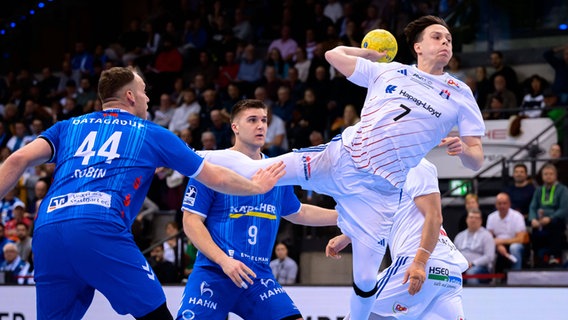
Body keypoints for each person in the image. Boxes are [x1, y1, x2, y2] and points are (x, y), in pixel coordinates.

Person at [199, 15, 484, 320]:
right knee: (265, 168)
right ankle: (185, 155)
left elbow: (477, 158)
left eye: (449, 39)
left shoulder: (459, 93)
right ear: (417, 47)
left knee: (364, 280)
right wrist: (368, 54)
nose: (445, 43)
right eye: (437, 37)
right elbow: (333, 55)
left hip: (378, 192)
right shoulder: (388, 71)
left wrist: (464, 149)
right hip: (341, 158)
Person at [0, 67, 285, 320]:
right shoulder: (150, 132)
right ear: (130, 96)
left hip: (48, 229)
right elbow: (215, 176)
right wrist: (255, 186)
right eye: (144, 92)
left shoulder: (67, 126)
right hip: (99, 227)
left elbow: (15, 161)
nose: (148, 98)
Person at [177, 99, 338, 320]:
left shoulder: (277, 169)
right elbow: (191, 221)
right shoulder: (211, 167)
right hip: (214, 272)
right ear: (235, 127)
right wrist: (225, 261)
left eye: (264, 120)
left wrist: (345, 218)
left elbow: (298, 212)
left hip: (258, 276)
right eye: (252, 120)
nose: (261, 125)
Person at [327, 159, 468, 319]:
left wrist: (420, 262)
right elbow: (385, 217)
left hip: (419, 262)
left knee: (360, 313)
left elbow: (434, 217)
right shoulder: (391, 178)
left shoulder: (415, 164)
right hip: (450, 274)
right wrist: (348, 236)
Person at [529, 163, 568, 267]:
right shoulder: (539, 190)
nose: (548, 176)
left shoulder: (562, 189)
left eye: (551, 174)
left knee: (556, 225)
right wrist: (533, 219)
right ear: (542, 176)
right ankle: (538, 260)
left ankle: (554, 257)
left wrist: (550, 218)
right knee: (533, 231)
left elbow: (564, 209)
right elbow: (533, 207)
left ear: (555, 176)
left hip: (556, 221)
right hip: (540, 221)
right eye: (545, 174)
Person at [486, 193, 528, 272]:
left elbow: (520, 239)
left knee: (514, 247)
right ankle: (491, 276)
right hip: (498, 244)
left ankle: (516, 276)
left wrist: (501, 241)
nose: (502, 206)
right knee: (488, 247)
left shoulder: (517, 216)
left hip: (516, 244)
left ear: (509, 204)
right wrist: (498, 245)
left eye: (504, 203)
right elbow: (489, 237)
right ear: (496, 205)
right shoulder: (491, 217)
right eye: (499, 203)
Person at [454, 209, 496, 284]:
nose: (473, 220)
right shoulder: (459, 236)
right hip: (461, 266)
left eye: (476, 218)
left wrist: (473, 264)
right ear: (466, 219)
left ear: (481, 221)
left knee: (471, 273)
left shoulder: (487, 236)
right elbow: (453, 254)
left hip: (480, 268)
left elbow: (489, 257)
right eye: (471, 217)